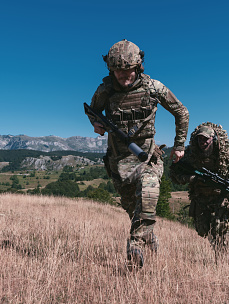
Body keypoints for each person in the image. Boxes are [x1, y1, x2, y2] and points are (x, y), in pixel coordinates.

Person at [86, 39, 189, 268]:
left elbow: (182, 112)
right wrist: (96, 123)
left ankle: (135, 247)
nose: (124, 76)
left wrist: (179, 145)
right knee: (135, 210)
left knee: (149, 194)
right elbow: (92, 110)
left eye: (128, 71)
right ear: (111, 69)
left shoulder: (154, 88)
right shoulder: (105, 90)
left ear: (138, 67)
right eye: (118, 71)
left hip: (147, 158)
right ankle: (149, 238)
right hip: (118, 163)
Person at [170, 122, 229, 255]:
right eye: (199, 139)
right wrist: (194, 178)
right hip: (201, 199)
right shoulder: (191, 155)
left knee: (224, 234)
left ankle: (223, 262)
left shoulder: (226, 154)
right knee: (204, 230)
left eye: (206, 139)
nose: (202, 142)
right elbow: (175, 174)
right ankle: (218, 253)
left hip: (222, 199)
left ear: (213, 139)